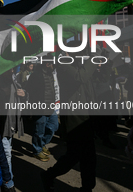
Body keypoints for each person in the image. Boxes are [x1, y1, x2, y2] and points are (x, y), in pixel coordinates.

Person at [41, 42, 103, 192]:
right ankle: (49, 175)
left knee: (89, 159)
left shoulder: (78, 63)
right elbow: (80, 77)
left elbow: (91, 83)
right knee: (73, 156)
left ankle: (87, 188)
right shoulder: (62, 62)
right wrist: (94, 56)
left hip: (86, 118)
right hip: (75, 119)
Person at [26, 55, 59, 162]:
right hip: (40, 108)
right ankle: (37, 150)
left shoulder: (50, 74)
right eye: (52, 64)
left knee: (54, 126)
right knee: (39, 131)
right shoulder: (36, 75)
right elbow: (30, 92)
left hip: (51, 107)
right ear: (47, 64)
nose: (54, 66)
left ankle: (42, 143)